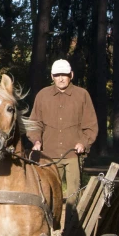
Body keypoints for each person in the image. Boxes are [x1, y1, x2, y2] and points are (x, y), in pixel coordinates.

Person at [29, 59, 99, 201]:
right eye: (57, 75)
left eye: (64, 74)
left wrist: (83, 143)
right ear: (52, 76)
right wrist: (36, 141)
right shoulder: (42, 95)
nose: (61, 78)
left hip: (73, 154)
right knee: (49, 197)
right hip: (49, 155)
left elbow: (91, 125)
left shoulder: (82, 95)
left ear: (71, 75)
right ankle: (52, 224)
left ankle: (72, 223)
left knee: (74, 198)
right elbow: (35, 123)